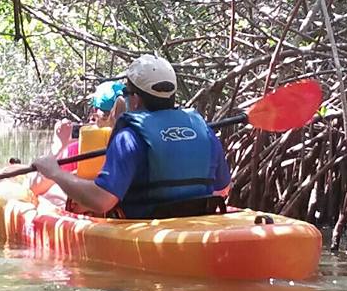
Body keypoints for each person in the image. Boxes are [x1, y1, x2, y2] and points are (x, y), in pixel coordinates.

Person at [31, 55, 231, 219]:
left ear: (134, 100)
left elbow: (101, 201)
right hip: (195, 224)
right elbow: (222, 189)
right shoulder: (203, 129)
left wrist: (55, 173)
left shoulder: (129, 137)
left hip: (146, 228)